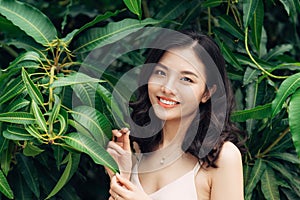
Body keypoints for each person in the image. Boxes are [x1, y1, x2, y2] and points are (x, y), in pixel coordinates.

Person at [105, 30, 245, 200]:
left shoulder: (223, 157)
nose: (167, 88)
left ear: (207, 93)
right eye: (161, 73)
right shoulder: (137, 149)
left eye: (186, 79)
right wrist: (121, 177)